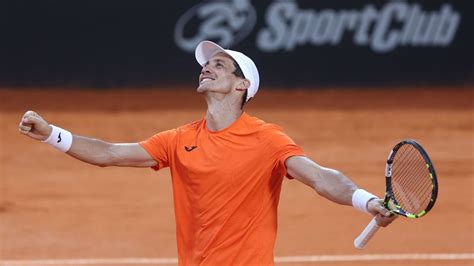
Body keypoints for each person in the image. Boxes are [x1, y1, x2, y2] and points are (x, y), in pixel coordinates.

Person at [18, 40, 396, 265]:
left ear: (242, 85)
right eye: (205, 65)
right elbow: (110, 153)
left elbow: (319, 176)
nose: (206, 69)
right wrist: (53, 134)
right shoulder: (178, 139)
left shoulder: (267, 139)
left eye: (219, 65)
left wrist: (365, 201)